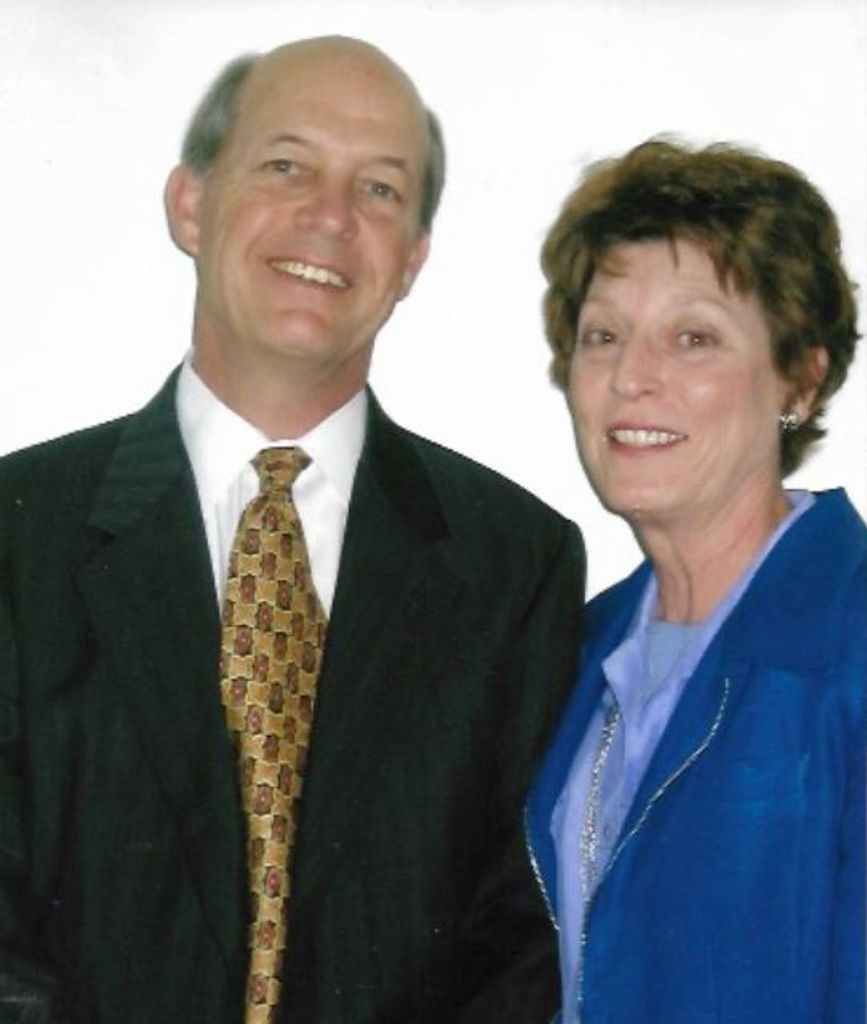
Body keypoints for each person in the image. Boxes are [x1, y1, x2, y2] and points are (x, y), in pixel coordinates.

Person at [0, 37, 585, 1023]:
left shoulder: (515, 564)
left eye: (381, 190)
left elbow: (520, 946)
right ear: (191, 204)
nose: (331, 216)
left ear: (412, 260)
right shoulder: (20, 537)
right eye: (285, 165)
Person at [526, 138, 865, 1023]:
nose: (631, 378)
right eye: (603, 336)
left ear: (800, 378)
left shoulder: (852, 646)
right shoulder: (571, 643)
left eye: (693, 338)